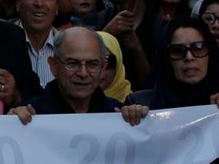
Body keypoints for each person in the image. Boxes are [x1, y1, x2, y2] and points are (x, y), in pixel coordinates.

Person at [8, 26, 147, 125]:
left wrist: (139, 121)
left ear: (103, 67)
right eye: (73, 63)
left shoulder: (118, 114)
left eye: (92, 64)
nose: (83, 73)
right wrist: (10, 125)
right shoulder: (31, 115)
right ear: (54, 65)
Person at [127, 16, 219, 115]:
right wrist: (130, 118)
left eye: (198, 48)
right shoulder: (140, 104)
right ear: (166, 59)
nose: (189, 57)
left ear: (211, 53)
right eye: (177, 50)